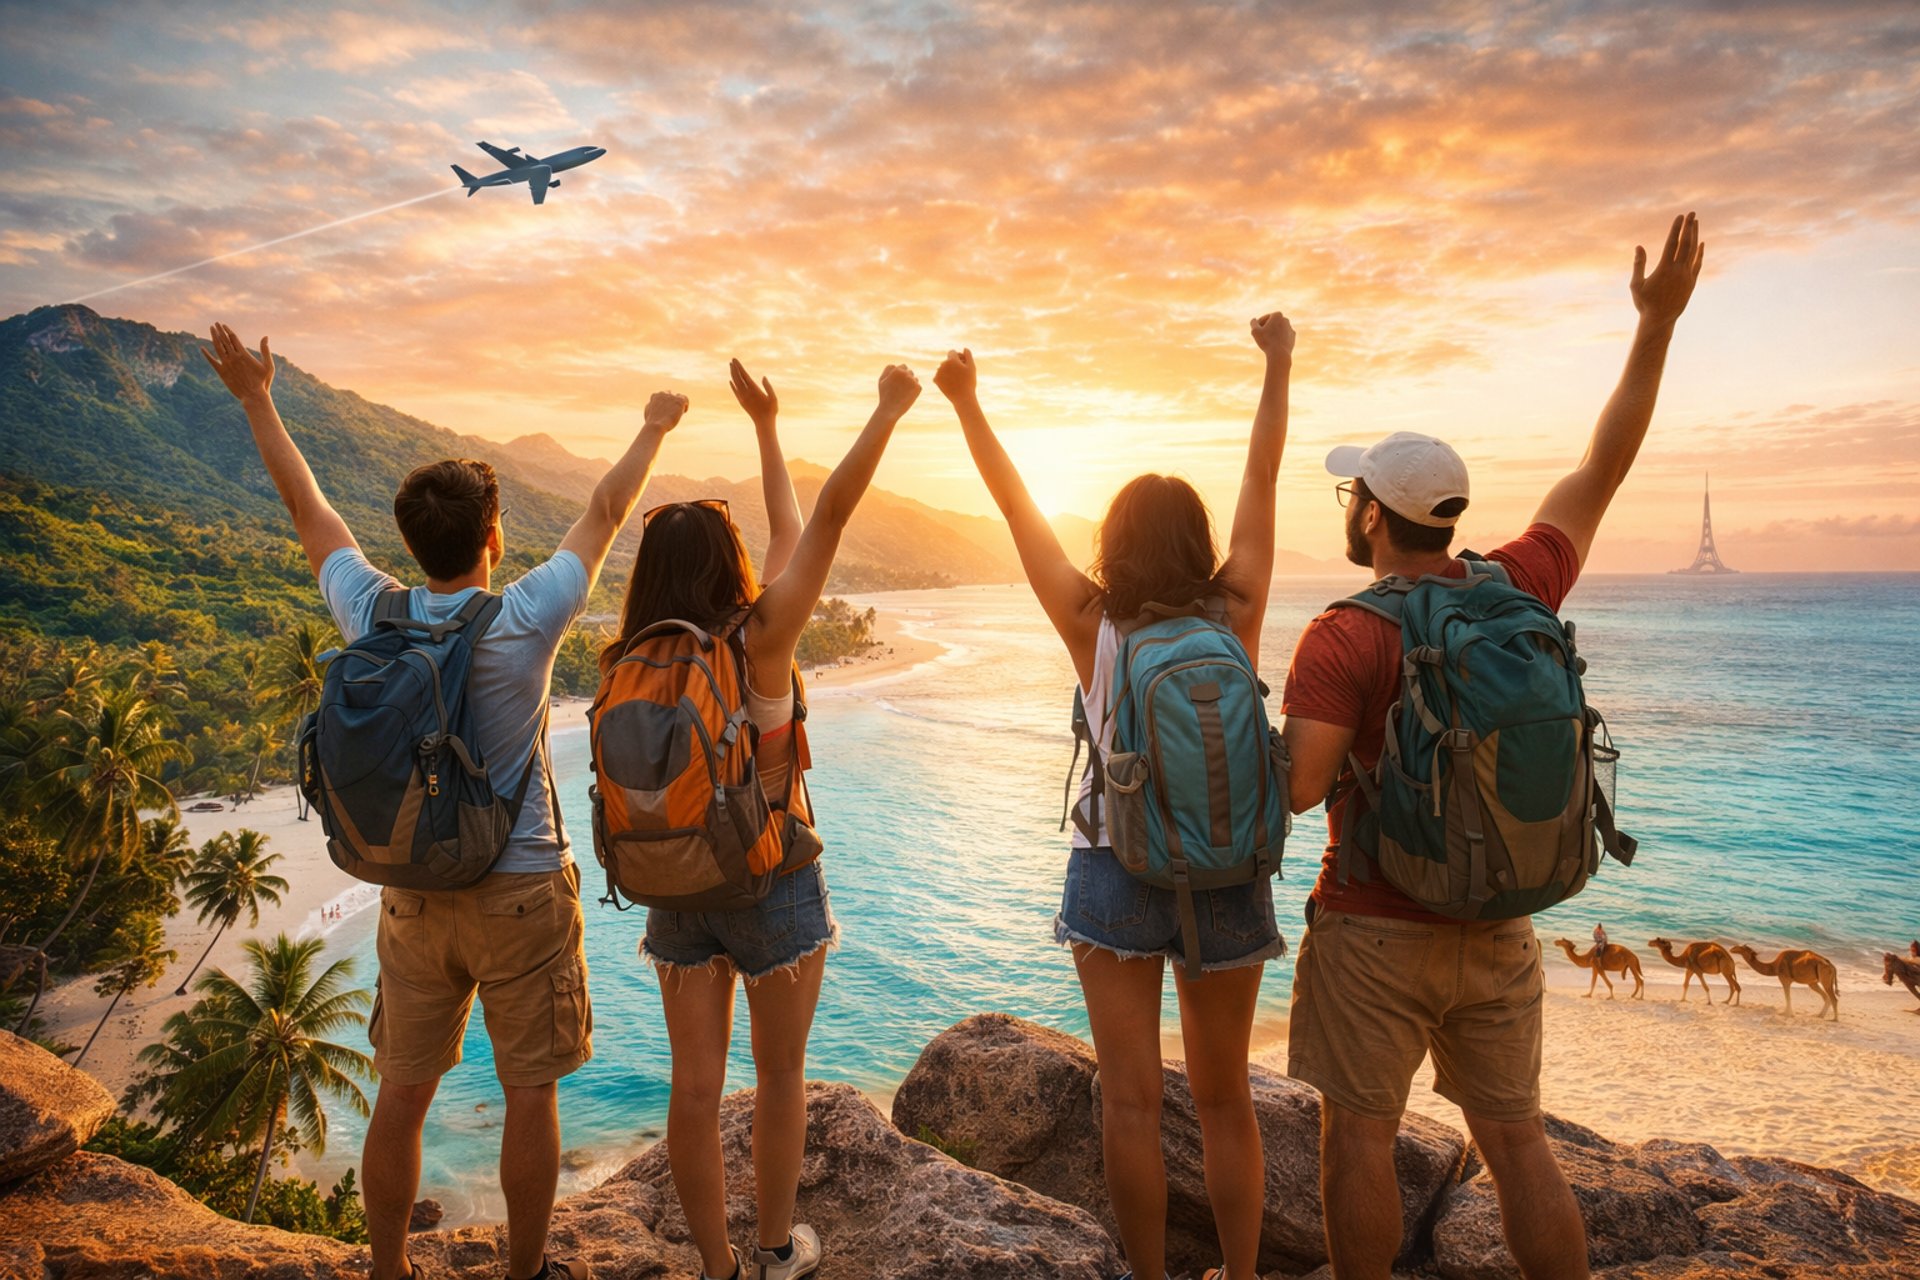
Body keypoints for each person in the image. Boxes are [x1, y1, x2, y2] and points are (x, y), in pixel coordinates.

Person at [202, 321, 690, 1280]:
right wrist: (655, 426)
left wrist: (258, 398)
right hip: (519, 894)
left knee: (402, 1096)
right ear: (495, 541)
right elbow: (602, 508)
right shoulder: (524, 619)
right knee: (530, 1094)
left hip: (411, 898)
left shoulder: (368, 607)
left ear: (409, 543)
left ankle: (387, 1270)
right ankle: (524, 1271)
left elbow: (307, 508)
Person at [1280, 212, 1704, 1280]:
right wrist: (1653, 328)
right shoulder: (1523, 581)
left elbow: (1298, 790)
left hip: (1376, 923)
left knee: (1359, 1140)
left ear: (1375, 515)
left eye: (1352, 494)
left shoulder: (1345, 632)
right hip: (1504, 919)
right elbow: (1605, 460)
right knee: (1518, 1144)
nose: (1349, 507)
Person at [931, 314, 1295, 1280]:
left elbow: (1016, 512)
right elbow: (1264, 478)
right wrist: (1277, 366)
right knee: (1225, 1100)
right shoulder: (1239, 610)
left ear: (1116, 544)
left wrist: (969, 405)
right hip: (1227, 868)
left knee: (1130, 1100)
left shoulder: (1093, 623)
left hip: (1114, 865)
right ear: (1200, 543)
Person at [609, 359, 922, 1280]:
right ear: (730, 569)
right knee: (780, 1079)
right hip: (774, 881)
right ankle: (778, 1252)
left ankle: (717, 1268)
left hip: (672, 886)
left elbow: (794, 525)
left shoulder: (630, 655)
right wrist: (885, 410)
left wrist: (768, 425)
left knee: (694, 1092)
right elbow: (816, 522)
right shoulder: (761, 640)